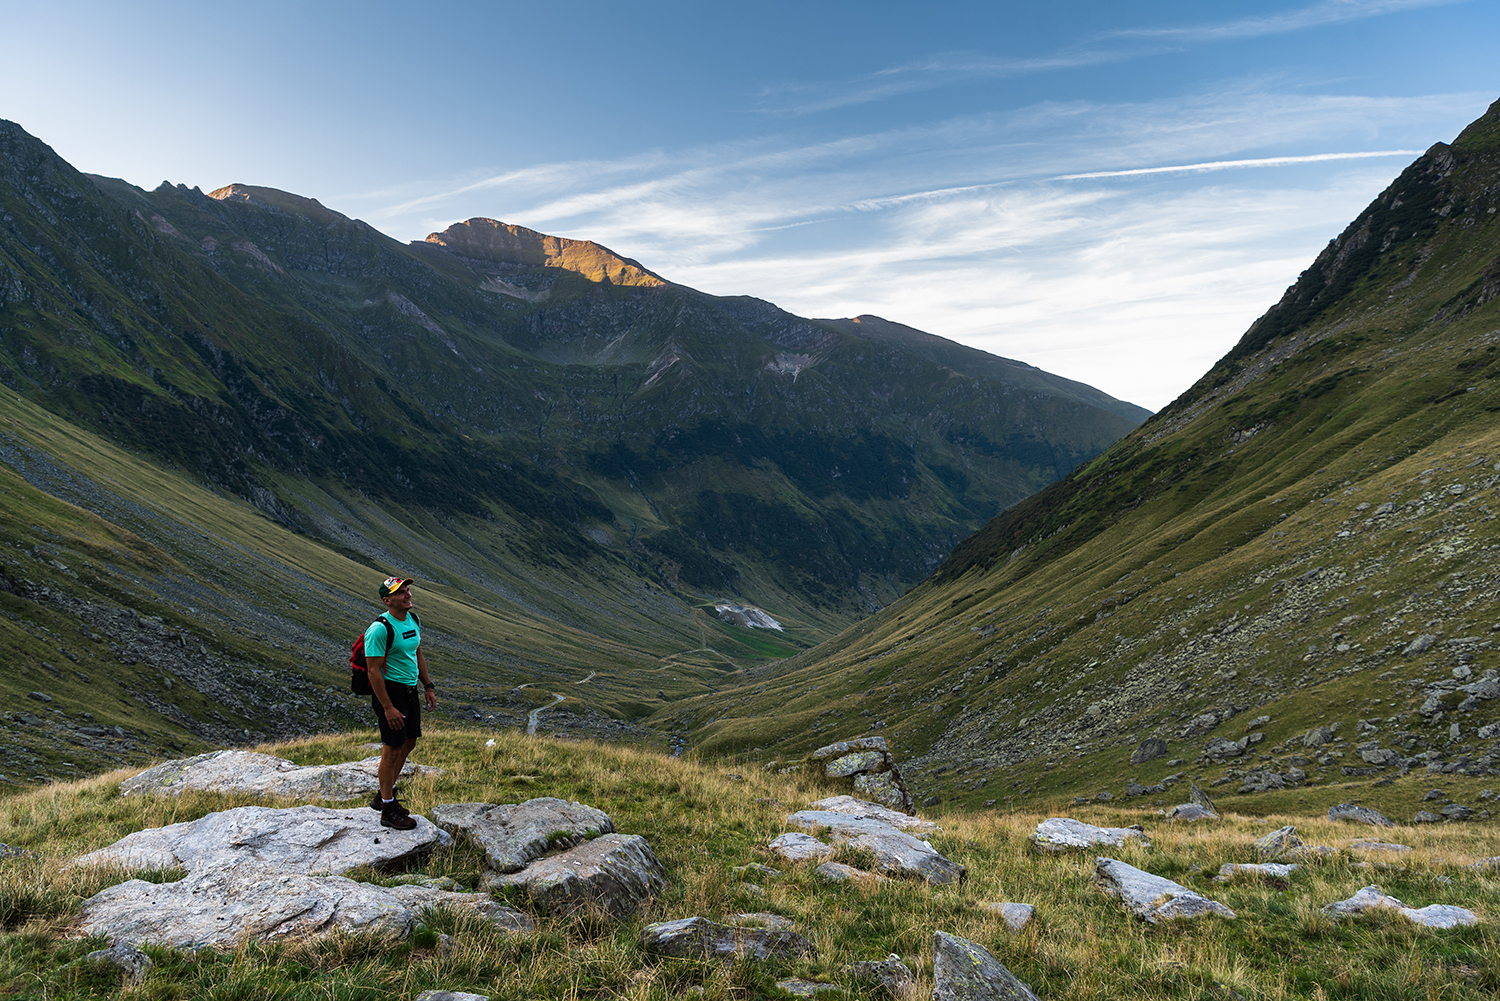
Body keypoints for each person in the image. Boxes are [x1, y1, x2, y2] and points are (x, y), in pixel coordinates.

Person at [365, 575, 436, 830]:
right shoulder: (379, 629)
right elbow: (373, 671)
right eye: (401, 592)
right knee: (392, 749)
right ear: (387, 600)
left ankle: (385, 793)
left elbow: (416, 652)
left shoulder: (413, 620)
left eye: (407, 590)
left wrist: (427, 686)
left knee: (409, 742)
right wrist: (387, 707)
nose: (408, 595)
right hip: (390, 693)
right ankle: (387, 808)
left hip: (409, 690)